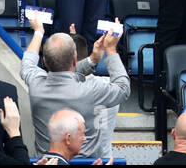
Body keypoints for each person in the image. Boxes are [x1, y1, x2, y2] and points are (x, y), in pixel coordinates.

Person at [19, 11, 129, 159]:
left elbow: (28, 62)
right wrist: (111, 49)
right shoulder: (92, 89)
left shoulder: (36, 85)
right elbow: (123, 88)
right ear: (75, 59)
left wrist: (38, 32)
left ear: (44, 61)